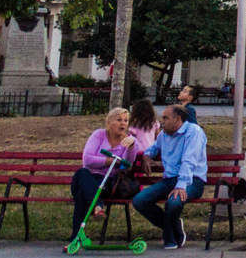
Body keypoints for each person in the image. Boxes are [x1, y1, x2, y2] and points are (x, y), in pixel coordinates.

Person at [132, 104, 207, 249]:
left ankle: (170, 238)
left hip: (192, 180)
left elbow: (189, 160)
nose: (162, 122)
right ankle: (174, 227)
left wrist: (181, 185)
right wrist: (147, 156)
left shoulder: (194, 132)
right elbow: (154, 148)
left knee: (173, 202)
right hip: (169, 180)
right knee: (139, 200)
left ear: (177, 119)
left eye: (165, 118)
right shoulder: (164, 134)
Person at [69, 108, 140, 243]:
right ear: (109, 122)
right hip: (89, 178)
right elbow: (87, 160)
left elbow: (127, 164)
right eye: (119, 120)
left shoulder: (129, 141)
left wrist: (131, 147)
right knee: (82, 174)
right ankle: (97, 205)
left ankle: (75, 237)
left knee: (82, 193)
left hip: (109, 183)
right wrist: (110, 161)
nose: (123, 123)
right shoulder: (99, 135)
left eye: (126, 121)